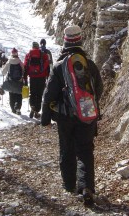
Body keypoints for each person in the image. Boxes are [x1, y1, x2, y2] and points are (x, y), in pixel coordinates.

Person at [40, 25, 103, 206]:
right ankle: (86, 187)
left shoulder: (59, 67)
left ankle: (69, 184)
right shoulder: (89, 64)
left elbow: (49, 94)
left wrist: (45, 118)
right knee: (85, 150)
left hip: (65, 117)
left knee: (66, 149)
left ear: (65, 42)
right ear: (80, 41)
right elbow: (99, 88)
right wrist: (87, 105)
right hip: (87, 115)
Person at [24, 41, 50, 119]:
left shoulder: (28, 55)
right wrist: (48, 77)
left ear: (32, 47)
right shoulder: (43, 55)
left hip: (32, 77)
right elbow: (47, 65)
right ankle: (37, 111)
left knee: (33, 93)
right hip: (41, 77)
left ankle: (32, 106)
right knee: (39, 94)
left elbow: (25, 66)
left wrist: (25, 78)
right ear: (38, 47)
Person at [2, 48, 24, 115]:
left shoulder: (9, 62)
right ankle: (18, 107)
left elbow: (3, 72)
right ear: (17, 54)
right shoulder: (19, 61)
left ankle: (13, 109)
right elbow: (24, 70)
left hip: (11, 82)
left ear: (12, 54)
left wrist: (3, 68)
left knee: (12, 95)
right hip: (19, 82)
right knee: (19, 95)